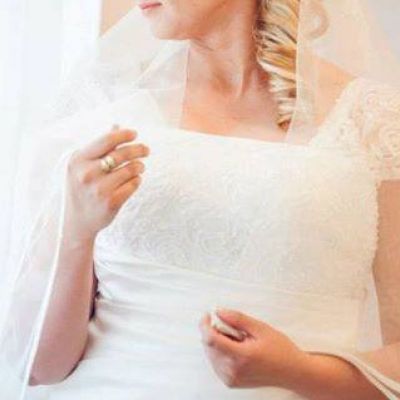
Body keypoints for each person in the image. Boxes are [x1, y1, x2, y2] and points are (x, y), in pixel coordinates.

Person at [1, 1, 400, 399]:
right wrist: (76, 230)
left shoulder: (375, 124)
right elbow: (37, 367)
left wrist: (299, 371)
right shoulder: (105, 108)